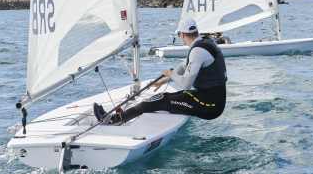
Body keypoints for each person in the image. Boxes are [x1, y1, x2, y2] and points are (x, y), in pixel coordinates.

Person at [93, 17, 226, 125]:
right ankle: (120, 117)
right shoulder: (205, 42)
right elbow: (183, 66)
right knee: (166, 96)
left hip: (210, 105)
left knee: (160, 99)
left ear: (182, 34)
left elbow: (185, 84)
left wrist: (171, 74)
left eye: (179, 35)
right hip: (210, 98)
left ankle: (115, 120)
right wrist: (165, 80)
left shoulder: (197, 51)